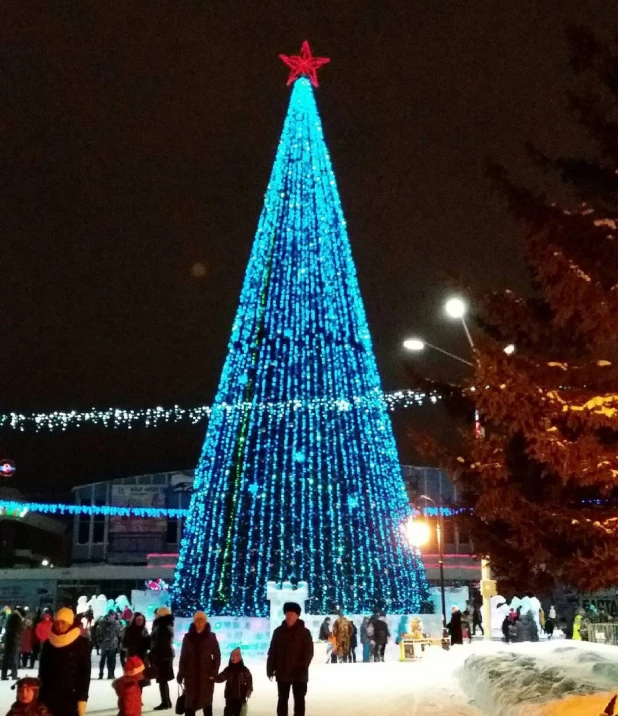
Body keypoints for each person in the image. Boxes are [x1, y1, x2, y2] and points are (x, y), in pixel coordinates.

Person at [39, 606, 91, 716]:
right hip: (49, 695)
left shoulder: (80, 643)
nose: (59, 626)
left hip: (71, 696)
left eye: (63, 623)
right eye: (57, 622)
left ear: (70, 624)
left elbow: (85, 673)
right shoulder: (49, 644)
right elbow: (43, 671)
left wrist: (82, 698)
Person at [267, 602, 314, 716]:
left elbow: (309, 652)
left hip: (299, 673)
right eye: (287, 613)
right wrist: (270, 668)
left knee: (299, 700)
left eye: (292, 613)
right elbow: (272, 651)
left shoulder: (304, 632)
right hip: (282, 671)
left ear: (297, 615)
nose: (289, 616)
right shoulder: (278, 632)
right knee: (282, 699)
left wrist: (303, 667)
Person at [177, 611, 220, 716]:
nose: (200, 623)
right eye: (197, 621)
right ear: (194, 622)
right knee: (190, 704)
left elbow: (217, 656)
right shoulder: (187, 637)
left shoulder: (211, 637)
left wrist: (213, 673)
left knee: (207, 703)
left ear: (205, 622)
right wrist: (181, 673)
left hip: (206, 676)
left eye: (202, 621)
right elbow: (183, 657)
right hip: (191, 676)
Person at [150, 607, 175, 711]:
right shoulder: (167, 624)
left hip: (162, 656)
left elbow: (160, 643)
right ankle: (167, 701)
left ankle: (165, 702)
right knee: (163, 680)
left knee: (162, 680)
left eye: (157, 614)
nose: (155, 615)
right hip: (166, 655)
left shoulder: (162, 626)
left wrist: (151, 653)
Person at [215, 647, 253, 716]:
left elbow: (249, 680)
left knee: (239, 713)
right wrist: (213, 678)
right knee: (228, 712)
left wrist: (249, 690)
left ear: (240, 658)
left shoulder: (244, 670)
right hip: (230, 697)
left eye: (236, 655)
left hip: (241, 697)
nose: (234, 657)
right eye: (232, 655)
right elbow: (221, 678)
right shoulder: (228, 669)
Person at [97, 610, 122, 680]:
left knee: (102, 659)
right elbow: (120, 632)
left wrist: (99, 641)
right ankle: (111, 674)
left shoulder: (101, 622)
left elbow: (98, 631)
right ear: (113, 615)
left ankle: (101, 674)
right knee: (111, 659)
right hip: (112, 644)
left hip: (104, 644)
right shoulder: (115, 623)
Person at [2, 608, 25, 680]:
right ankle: (14, 675)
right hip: (14, 641)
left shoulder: (10, 617)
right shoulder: (17, 619)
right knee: (14, 658)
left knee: (6, 658)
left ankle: (3, 675)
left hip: (8, 640)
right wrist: (23, 622)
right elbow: (21, 629)